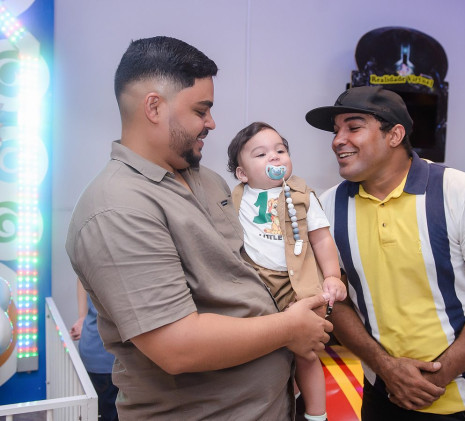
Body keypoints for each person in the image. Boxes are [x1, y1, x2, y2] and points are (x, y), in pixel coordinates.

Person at [65, 36, 332, 421]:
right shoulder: (116, 208)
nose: (211, 123)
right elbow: (176, 346)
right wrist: (289, 329)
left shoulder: (208, 180)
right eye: (201, 110)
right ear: (154, 107)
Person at [305, 85, 465, 420]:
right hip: (383, 392)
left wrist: (433, 379)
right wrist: (387, 368)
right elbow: (337, 300)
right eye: (336, 131)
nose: (337, 140)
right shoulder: (327, 207)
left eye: (353, 127)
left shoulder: (461, 193)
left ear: (394, 135)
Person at [227, 122, 347, 421]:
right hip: (257, 286)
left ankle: (316, 414)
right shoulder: (235, 199)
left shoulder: (302, 196)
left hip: (300, 286)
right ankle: (284, 398)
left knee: (306, 353)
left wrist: (332, 275)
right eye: (261, 154)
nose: (274, 157)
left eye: (280, 150)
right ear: (242, 173)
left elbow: (321, 238)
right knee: (267, 351)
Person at [70, 278, 119, 421]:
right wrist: (82, 318)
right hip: (107, 356)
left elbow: (81, 277)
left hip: (96, 351)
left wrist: (82, 317)